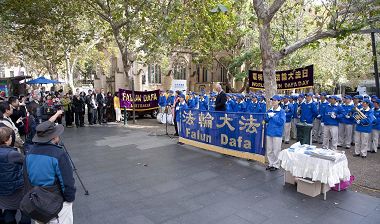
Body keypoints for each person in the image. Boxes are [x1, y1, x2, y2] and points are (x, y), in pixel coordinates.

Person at [25, 118, 76, 224]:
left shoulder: (29, 153)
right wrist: (69, 199)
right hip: (56, 201)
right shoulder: (58, 154)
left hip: (36, 199)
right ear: (54, 137)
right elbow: (67, 182)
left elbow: (26, 177)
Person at [0, 127, 31, 224]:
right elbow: (27, 161)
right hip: (16, 189)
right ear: (7, 140)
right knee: (25, 211)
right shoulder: (12, 154)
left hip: (2, 189)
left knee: (8, 210)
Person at [265, 95, 286, 171]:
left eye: (275, 100)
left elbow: (281, 122)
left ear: (279, 101)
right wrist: (268, 117)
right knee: (269, 150)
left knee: (276, 150)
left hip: (277, 133)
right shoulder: (270, 110)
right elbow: (266, 120)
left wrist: (273, 117)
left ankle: (276, 165)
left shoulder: (282, 111)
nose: (273, 101)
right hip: (269, 132)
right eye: (272, 100)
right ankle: (271, 163)